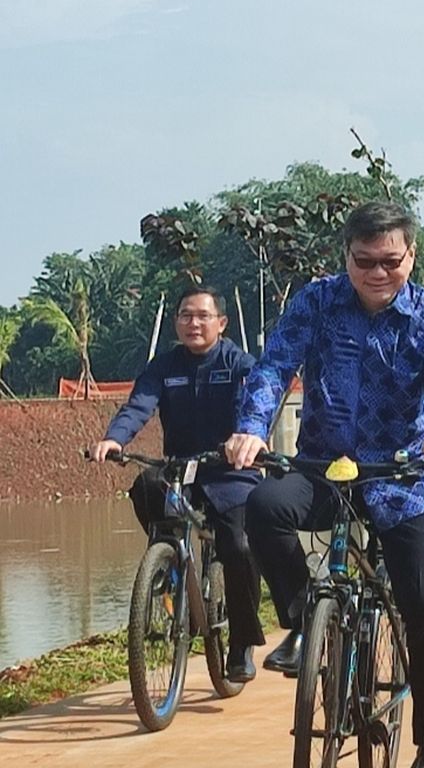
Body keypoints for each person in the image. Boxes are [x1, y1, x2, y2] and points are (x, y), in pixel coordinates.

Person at [224, 202, 424, 768]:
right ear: (346, 256)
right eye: (365, 262)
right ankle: (304, 617)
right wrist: (251, 428)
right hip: (323, 468)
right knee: (263, 506)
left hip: (405, 476)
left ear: (411, 255)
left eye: (391, 261)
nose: (378, 274)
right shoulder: (316, 302)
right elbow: (272, 368)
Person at [90, 286, 263, 683]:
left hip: (231, 472)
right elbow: (138, 405)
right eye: (186, 315)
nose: (194, 323)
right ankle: (167, 560)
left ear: (221, 323)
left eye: (203, 316)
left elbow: (258, 403)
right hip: (182, 470)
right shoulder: (163, 367)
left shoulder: (239, 364)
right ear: (176, 323)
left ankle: (241, 642)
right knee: (145, 485)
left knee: (237, 546)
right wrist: (115, 439)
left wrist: (249, 437)